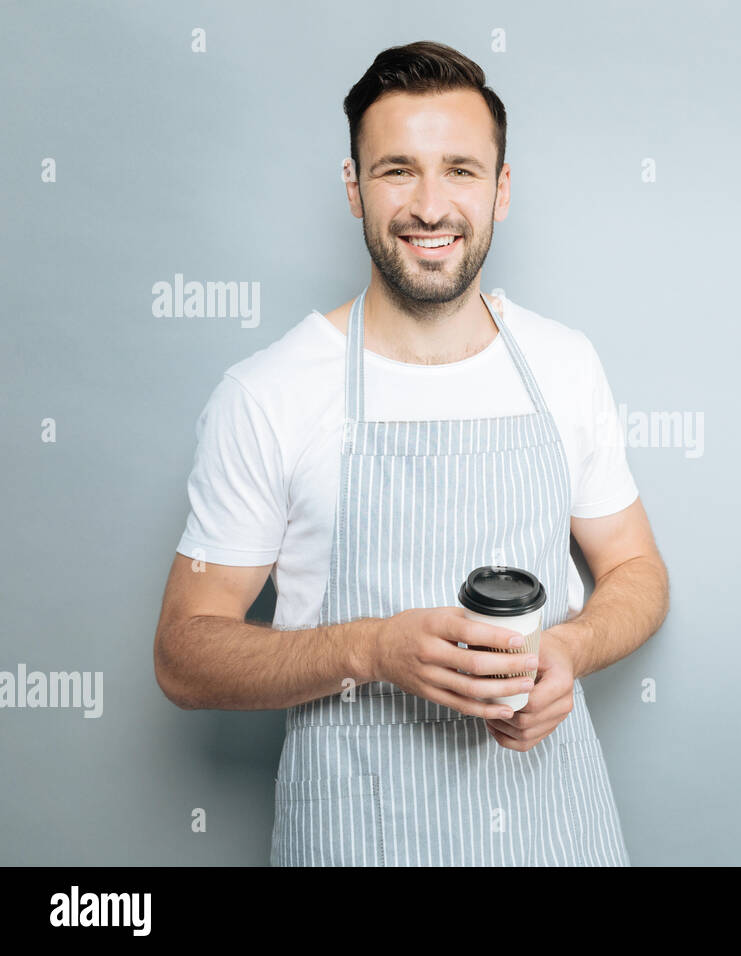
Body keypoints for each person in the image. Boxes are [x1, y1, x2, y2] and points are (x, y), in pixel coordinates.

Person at [153, 40, 669, 866]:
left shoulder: (564, 364)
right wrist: (370, 650)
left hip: (552, 828)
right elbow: (183, 654)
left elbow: (639, 570)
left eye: (461, 170)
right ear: (355, 189)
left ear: (501, 190)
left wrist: (567, 649)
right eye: (398, 170)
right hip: (358, 834)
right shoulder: (270, 392)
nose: (431, 206)